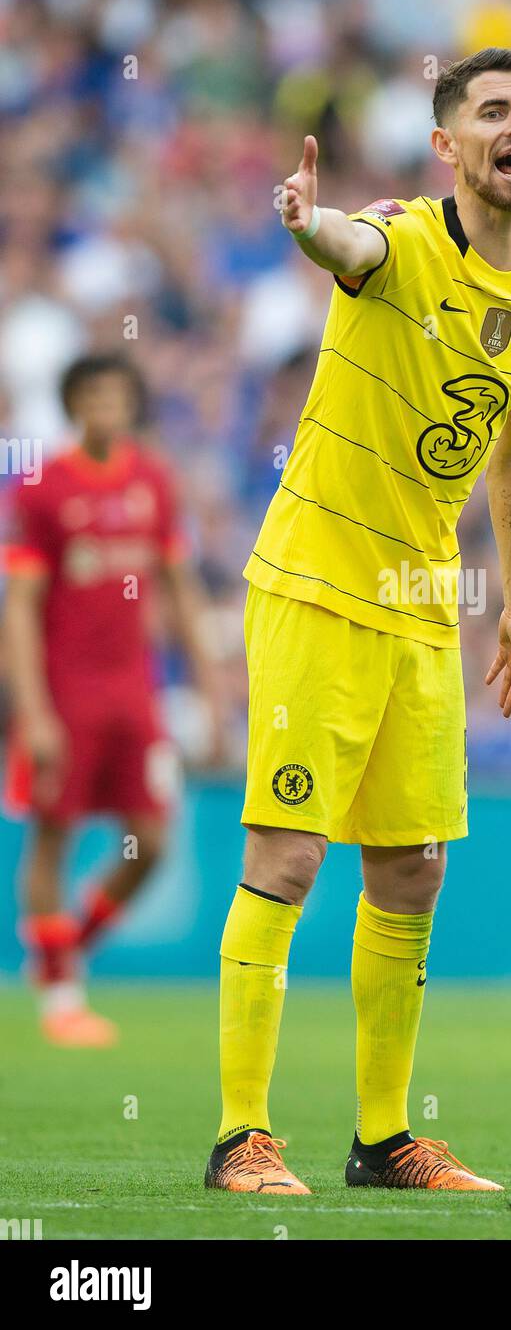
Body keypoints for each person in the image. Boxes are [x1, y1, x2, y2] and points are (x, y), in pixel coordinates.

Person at [207, 48, 511, 1195]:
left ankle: (381, 1141)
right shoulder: (401, 236)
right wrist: (307, 223)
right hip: (318, 578)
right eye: (491, 111)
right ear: (448, 145)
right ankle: (241, 1137)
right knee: (285, 849)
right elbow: (349, 248)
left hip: (425, 601)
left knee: (412, 869)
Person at [4, 354, 223, 1046]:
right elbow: (22, 605)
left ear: (133, 405)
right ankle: (62, 997)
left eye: (119, 395)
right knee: (53, 837)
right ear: (73, 404)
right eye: (94, 394)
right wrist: (32, 711)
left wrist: (212, 686)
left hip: (136, 692)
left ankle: (68, 949)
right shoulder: (42, 489)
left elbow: (181, 591)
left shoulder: (152, 482)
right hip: (65, 694)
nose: (107, 405)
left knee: (151, 841)